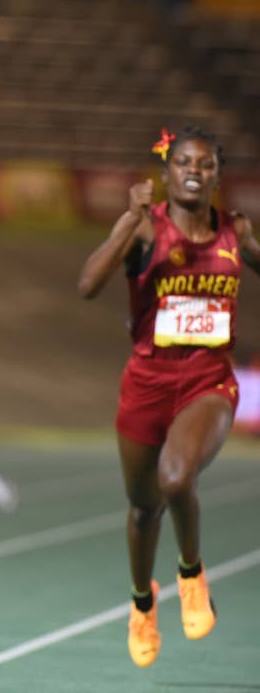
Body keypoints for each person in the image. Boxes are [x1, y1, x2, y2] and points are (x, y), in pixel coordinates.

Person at [77, 126, 260, 668]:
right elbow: (87, 285)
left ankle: (191, 573)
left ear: (216, 176)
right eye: (184, 162)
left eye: (205, 165)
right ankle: (141, 605)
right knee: (142, 508)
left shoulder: (236, 231)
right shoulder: (143, 230)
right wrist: (130, 220)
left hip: (208, 382)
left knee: (176, 478)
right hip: (147, 384)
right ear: (167, 171)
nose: (194, 171)